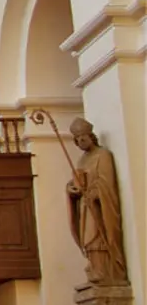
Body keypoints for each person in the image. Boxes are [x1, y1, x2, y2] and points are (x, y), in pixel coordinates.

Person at [66, 117, 127, 286]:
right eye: (77, 140)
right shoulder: (82, 160)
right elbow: (77, 181)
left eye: (83, 138)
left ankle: (105, 270)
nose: (80, 142)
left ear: (91, 136)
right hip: (85, 206)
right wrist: (71, 189)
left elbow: (106, 182)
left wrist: (95, 192)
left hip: (99, 206)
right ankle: (95, 267)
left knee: (97, 236)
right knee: (88, 239)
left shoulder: (103, 155)